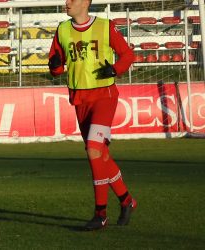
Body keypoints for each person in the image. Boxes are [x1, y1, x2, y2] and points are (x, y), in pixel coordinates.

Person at [48, 0, 137, 230]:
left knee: (93, 149)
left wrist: (115, 69)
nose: (67, 2)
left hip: (105, 96)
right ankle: (127, 201)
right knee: (101, 155)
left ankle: (100, 214)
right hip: (79, 99)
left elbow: (127, 55)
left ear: (86, 3)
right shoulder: (62, 30)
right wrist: (55, 64)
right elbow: (56, 68)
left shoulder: (106, 27)